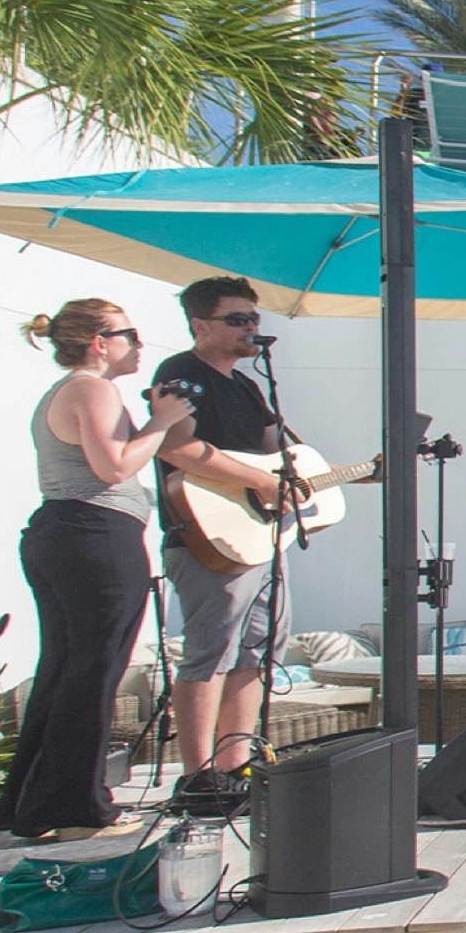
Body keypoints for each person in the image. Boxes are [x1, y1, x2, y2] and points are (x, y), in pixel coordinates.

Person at [0, 300, 190, 838]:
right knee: (94, 672)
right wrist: (162, 422)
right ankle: (76, 810)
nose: (140, 344)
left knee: (65, 668)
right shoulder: (92, 389)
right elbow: (113, 467)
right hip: (93, 536)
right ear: (100, 343)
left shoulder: (71, 391)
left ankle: (30, 806)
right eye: (131, 334)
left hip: (64, 535)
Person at [152, 277, 309, 796]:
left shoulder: (246, 385)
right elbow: (176, 447)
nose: (250, 328)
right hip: (205, 537)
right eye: (237, 319)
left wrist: (322, 472)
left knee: (259, 649)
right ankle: (197, 777)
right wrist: (260, 481)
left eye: (254, 319)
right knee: (211, 650)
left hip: (256, 536)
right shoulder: (180, 374)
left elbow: (276, 451)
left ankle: (234, 766)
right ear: (200, 325)